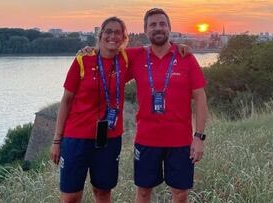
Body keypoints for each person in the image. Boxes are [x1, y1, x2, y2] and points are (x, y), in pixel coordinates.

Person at [125, 8, 209, 203]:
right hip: (146, 139)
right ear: (146, 31)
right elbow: (108, 56)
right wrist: (88, 51)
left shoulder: (186, 56)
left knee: (180, 194)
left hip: (180, 141)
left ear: (170, 28)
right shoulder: (136, 56)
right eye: (153, 25)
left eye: (162, 24)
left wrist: (199, 137)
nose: (158, 28)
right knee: (144, 192)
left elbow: (200, 98)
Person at [50, 16, 129, 203]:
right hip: (76, 138)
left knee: (102, 193)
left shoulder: (126, 59)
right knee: (70, 197)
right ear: (100, 34)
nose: (113, 36)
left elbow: (156, 50)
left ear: (124, 37)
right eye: (108, 31)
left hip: (109, 139)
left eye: (118, 32)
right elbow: (66, 101)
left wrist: (181, 48)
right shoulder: (82, 60)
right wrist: (56, 140)